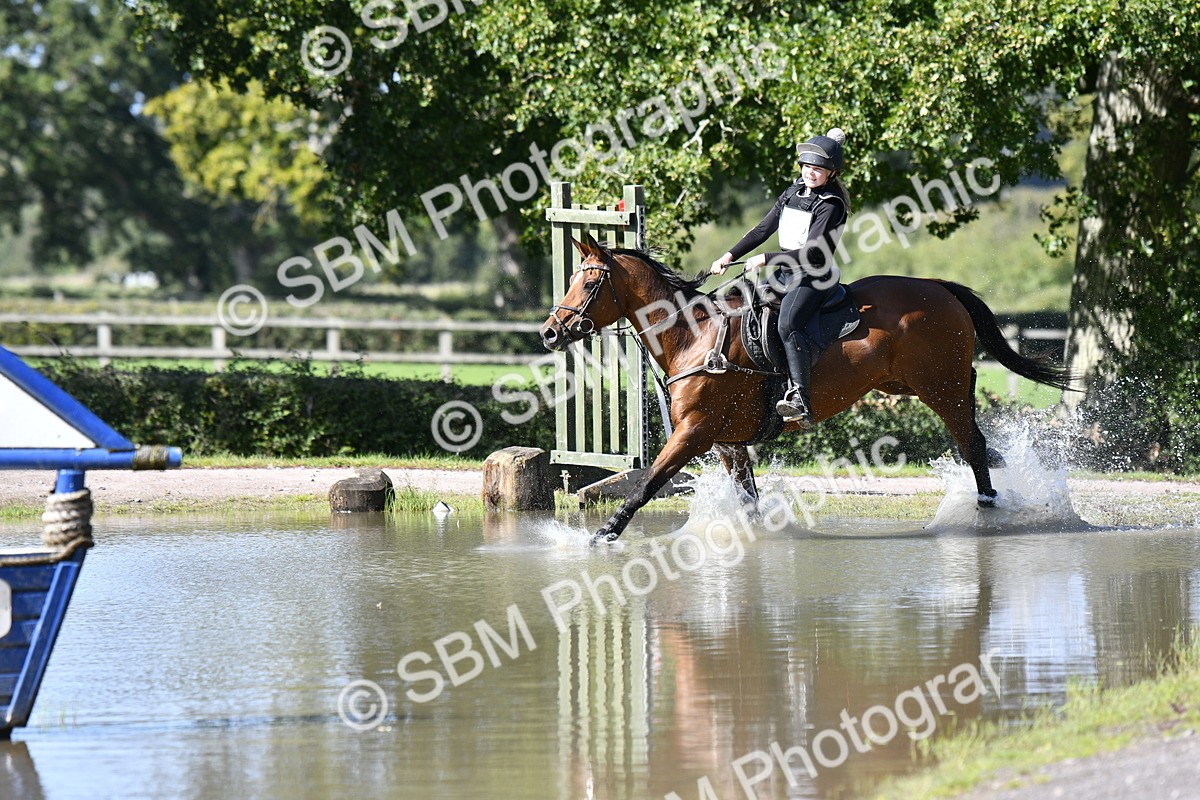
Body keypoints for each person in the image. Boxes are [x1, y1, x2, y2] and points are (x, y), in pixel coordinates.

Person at [710, 127, 850, 426]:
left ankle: (801, 396)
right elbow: (762, 229)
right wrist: (729, 255)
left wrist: (766, 258)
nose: (811, 173)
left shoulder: (831, 204)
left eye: (819, 170)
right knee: (741, 307)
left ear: (832, 173)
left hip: (814, 277)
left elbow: (813, 253)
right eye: (808, 167)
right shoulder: (793, 191)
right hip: (786, 273)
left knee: (788, 322)